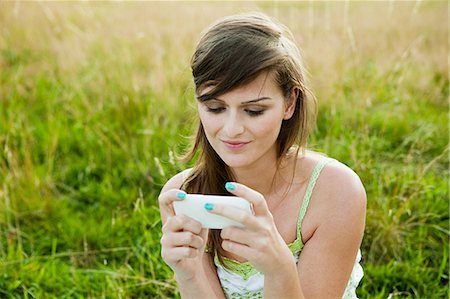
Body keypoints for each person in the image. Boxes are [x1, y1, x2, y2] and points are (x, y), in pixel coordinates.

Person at [158, 12, 366, 299]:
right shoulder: (184, 193)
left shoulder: (336, 192)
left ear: (290, 103)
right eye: (215, 108)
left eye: (254, 110)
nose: (231, 129)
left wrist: (278, 268)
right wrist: (188, 271)